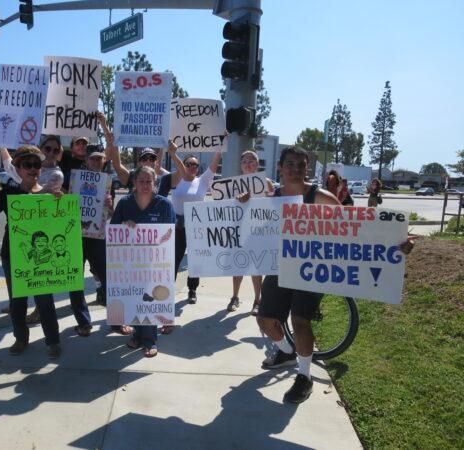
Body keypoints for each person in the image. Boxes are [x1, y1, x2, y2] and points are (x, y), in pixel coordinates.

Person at [239, 146, 414, 403]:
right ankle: (286, 351)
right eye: (290, 164)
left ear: (306, 169)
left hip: (312, 270)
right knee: (265, 319)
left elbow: (357, 230)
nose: (296, 169)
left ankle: (304, 376)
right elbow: (249, 224)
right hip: (279, 267)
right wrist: (244, 204)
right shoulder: (271, 198)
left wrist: (396, 243)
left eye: (301, 165)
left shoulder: (321, 198)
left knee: (300, 321)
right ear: (280, 168)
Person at [0, 146, 62, 359]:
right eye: (27, 164)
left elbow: (62, 226)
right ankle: (21, 338)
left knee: (45, 301)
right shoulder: (10, 192)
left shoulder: (50, 194)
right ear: (18, 168)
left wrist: (61, 202)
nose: (33, 169)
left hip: (43, 259)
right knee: (17, 302)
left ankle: (53, 341)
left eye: (36, 164)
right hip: (13, 256)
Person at [110, 166, 176, 357]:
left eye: (149, 181)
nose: (146, 185)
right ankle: (137, 335)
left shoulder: (164, 205)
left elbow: (170, 233)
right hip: (130, 261)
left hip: (155, 261)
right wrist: (123, 225)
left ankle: (149, 340)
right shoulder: (124, 203)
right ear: (134, 182)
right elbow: (114, 230)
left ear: (155, 182)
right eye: (142, 181)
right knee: (134, 298)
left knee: (150, 300)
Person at [0, 135, 65, 323]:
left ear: (59, 153)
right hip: (21, 232)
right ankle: (17, 308)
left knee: (40, 279)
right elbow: (9, 166)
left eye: (55, 150)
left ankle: (38, 312)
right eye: (47, 149)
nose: (51, 153)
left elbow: (40, 196)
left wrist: (23, 186)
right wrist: (1, 142)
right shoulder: (28, 167)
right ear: (41, 149)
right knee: (20, 277)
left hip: (42, 231)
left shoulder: (56, 175)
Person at [67, 144, 116, 337]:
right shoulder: (75, 180)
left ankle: (116, 319)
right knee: (74, 281)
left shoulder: (107, 181)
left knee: (108, 279)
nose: (96, 161)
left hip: (98, 236)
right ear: (86, 160)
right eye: (93, 158)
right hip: (76, 237)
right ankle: (84, 322)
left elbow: (110, 214)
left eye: (100, 158)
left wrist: (110, 206)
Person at [171, 152, 223, 306]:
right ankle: (167, 289)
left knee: (195, 261)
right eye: (188, 164)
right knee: (174, 259)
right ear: (183, 165)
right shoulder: (175, 179)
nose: (192, 167)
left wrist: (220, 146)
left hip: (196, 227)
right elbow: (156, 169)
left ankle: (192, 290)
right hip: (178, 227)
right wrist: (168, 149)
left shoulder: (203, 181)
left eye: (195, 165)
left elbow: (214, 164)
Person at [226, 150, 268, 314]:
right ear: (241, 165)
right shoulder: (232, 186)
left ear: (257, 165)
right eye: (245, 161)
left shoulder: (266, 183)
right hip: (239, 232)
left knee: (257, 268)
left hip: (258, 232)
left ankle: (258, 300)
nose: (248, 164)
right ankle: (235, 297)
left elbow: (273, 201)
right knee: (238, 266)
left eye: (251, 161)